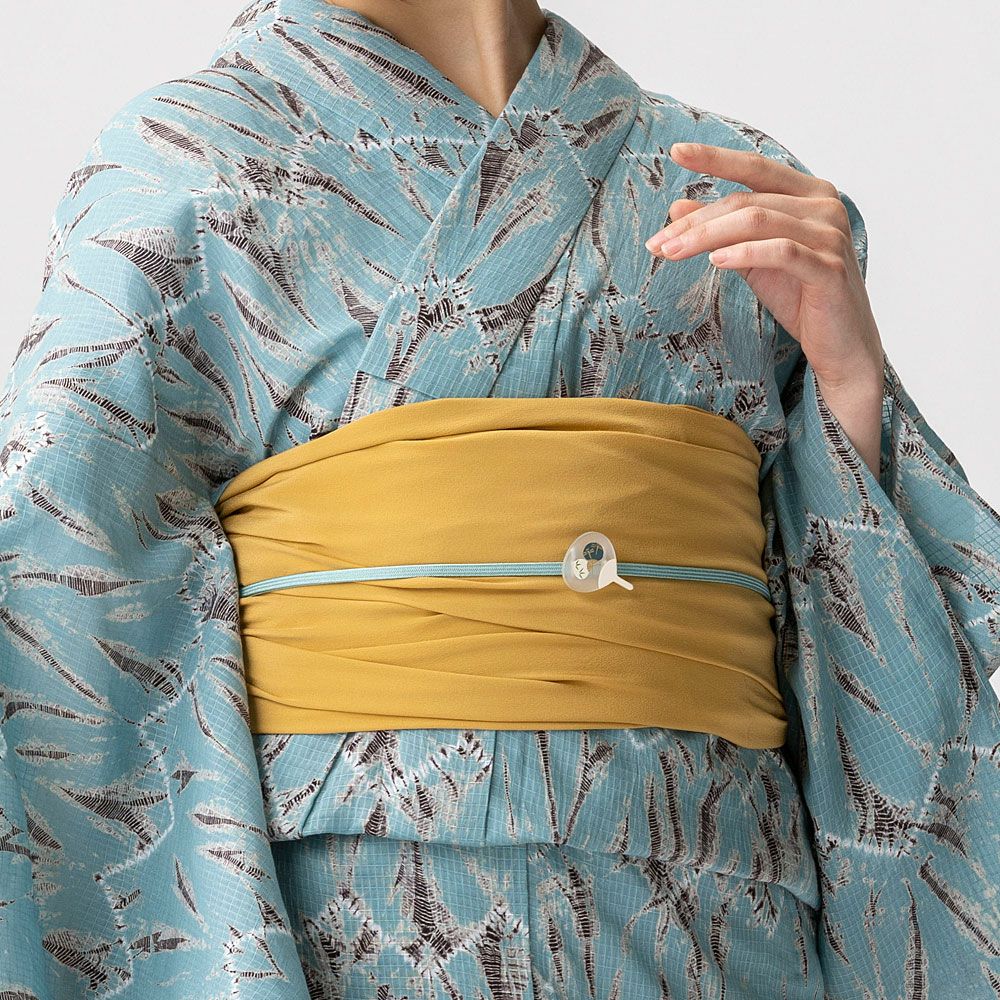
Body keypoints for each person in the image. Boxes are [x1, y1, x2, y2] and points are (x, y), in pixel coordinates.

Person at [1, 1, 997, 997]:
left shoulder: (722, 183)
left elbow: (863, 685)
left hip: (719, 918)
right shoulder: (184, 161)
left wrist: (846, 391)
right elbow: (66, 611)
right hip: (361, 921)